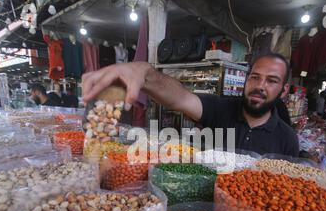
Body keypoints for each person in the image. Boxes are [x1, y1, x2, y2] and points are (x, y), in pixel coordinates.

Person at [82, 53, 299, 156]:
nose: (260, 85)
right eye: (254, 77)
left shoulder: (287, 138)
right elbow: (180, 97)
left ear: (284, 89)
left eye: (271, 81)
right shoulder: (220, 109)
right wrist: (144, 73)